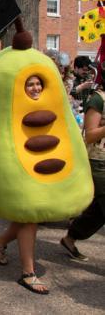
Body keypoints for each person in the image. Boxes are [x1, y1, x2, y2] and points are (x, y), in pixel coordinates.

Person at [0, 75, 49, 295]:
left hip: (41, 165)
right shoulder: (12, 106)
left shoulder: (48, 104)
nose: (35, 88)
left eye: (37, 83)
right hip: (19, 167)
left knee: (27, 217)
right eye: (30, 84)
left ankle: (0, 241)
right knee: (29, 217)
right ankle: (28, 273)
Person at [60, 80, 105, 264]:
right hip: (99, 162)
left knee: (100, 211)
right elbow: (90, 135)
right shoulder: (97, 100)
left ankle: (70, 238)